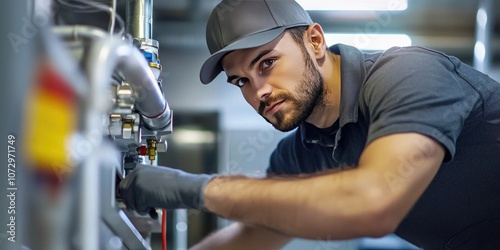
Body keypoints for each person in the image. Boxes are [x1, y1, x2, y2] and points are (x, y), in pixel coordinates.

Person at [119, 0, 500, 249]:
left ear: (315, 41)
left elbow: (374, 201)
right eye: (241, 81)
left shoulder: (408, 75)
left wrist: (196, 190)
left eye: (266, 63)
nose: (259, 92)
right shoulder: (302, 152)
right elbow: (258, 232)